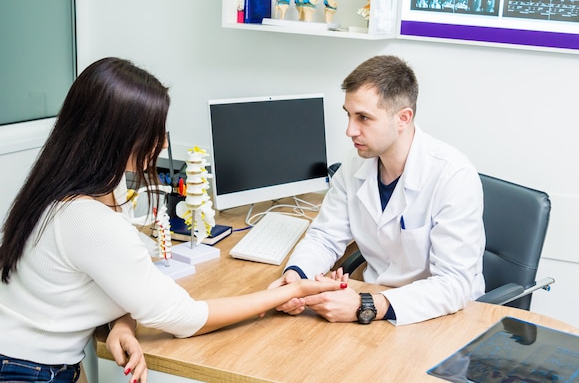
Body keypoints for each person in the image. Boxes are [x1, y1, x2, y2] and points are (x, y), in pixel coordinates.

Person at [0, 57, 347, 383]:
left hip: (38, 358)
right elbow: (185, 319)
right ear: (119, 139)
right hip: (27, 369)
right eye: (156, 132)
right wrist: (294, 290)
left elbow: (108, 279)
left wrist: (122, 324)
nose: (164, 141)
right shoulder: (87, 219)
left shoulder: (75, 185)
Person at [268, 55, 485, 326]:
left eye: (363, 118)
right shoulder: (355, 161)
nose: (350, 130)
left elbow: (454, 285)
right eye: (348, 115)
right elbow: (325, 236)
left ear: (403, 118)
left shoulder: (453, 176)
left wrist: (366, 305)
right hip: (375, 304)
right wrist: (296, 278)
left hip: (441, 316)